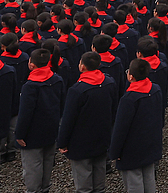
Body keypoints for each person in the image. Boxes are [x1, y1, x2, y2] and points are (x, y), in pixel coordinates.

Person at [57, 50, 117, 193]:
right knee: (99, 181)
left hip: (81, 141)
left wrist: (62, 142)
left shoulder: (77, 90)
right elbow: (114, 108)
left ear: (82, 67)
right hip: (102, 136)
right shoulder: (109, 83)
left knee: (84, 184)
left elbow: (68, 118)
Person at [109, 58, 164, 193]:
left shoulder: (129, 99)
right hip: (150, 141)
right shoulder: (156, 89)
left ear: (130, 76)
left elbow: (121, 128)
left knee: (134, 181)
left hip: (131, 148)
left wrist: (114, 151)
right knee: (149, 177)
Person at [15, 48, 66, 193]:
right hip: (51, 128)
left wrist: (19, 134)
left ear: (31, 64)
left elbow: (25, 113)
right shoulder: (57, 79)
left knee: (32, 166)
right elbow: (62, 104)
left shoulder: (30, 86)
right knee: (48, 161)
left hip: (32, 133)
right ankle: (45, 188)